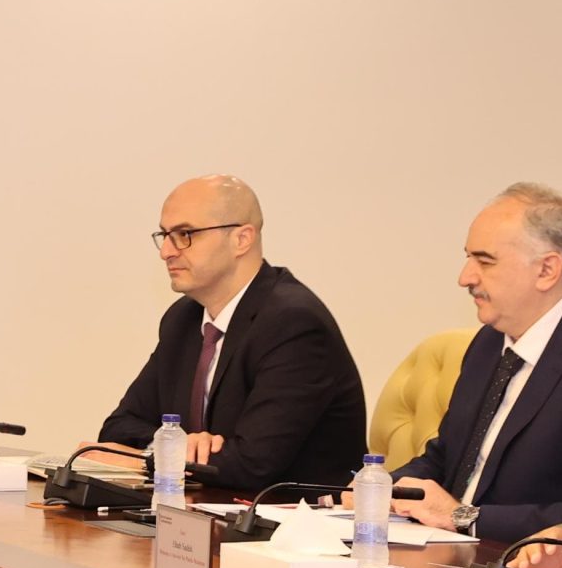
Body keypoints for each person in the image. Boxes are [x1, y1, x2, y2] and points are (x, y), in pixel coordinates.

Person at [388, 183, 562, 542]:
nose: (465, 277)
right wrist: (378, 489)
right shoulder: (490, 341)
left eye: (485, 261)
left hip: (524, 563)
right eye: (468, 258)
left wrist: (464, 518)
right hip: (450, 551)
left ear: (547, 270)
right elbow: (446, 457)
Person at [97, 176, 365, 494]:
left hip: (295, 518)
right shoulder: (183, 319)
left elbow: (252, 464)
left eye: (184, 235)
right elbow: (118, 429)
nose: (166, 252)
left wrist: (153, 457)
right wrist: (177, 446)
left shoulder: (293, 323)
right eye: (165, 235)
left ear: (242, 239)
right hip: (205, 510)